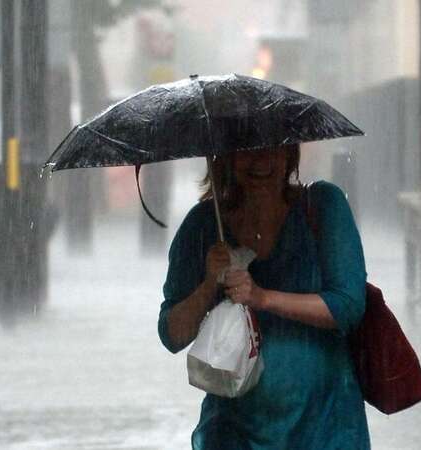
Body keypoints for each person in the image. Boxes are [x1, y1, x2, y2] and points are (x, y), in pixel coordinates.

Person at [158, 144, 370, 449]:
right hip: (233, 431)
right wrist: (209, 284)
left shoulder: (323, 206)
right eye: (246, 148)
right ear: (226, 156)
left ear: (290, 155)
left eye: (274, 147)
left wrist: (261, 297)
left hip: (324, 426)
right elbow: (172, 335)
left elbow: (348, 306)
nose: (261, 161)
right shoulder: (203, 224)